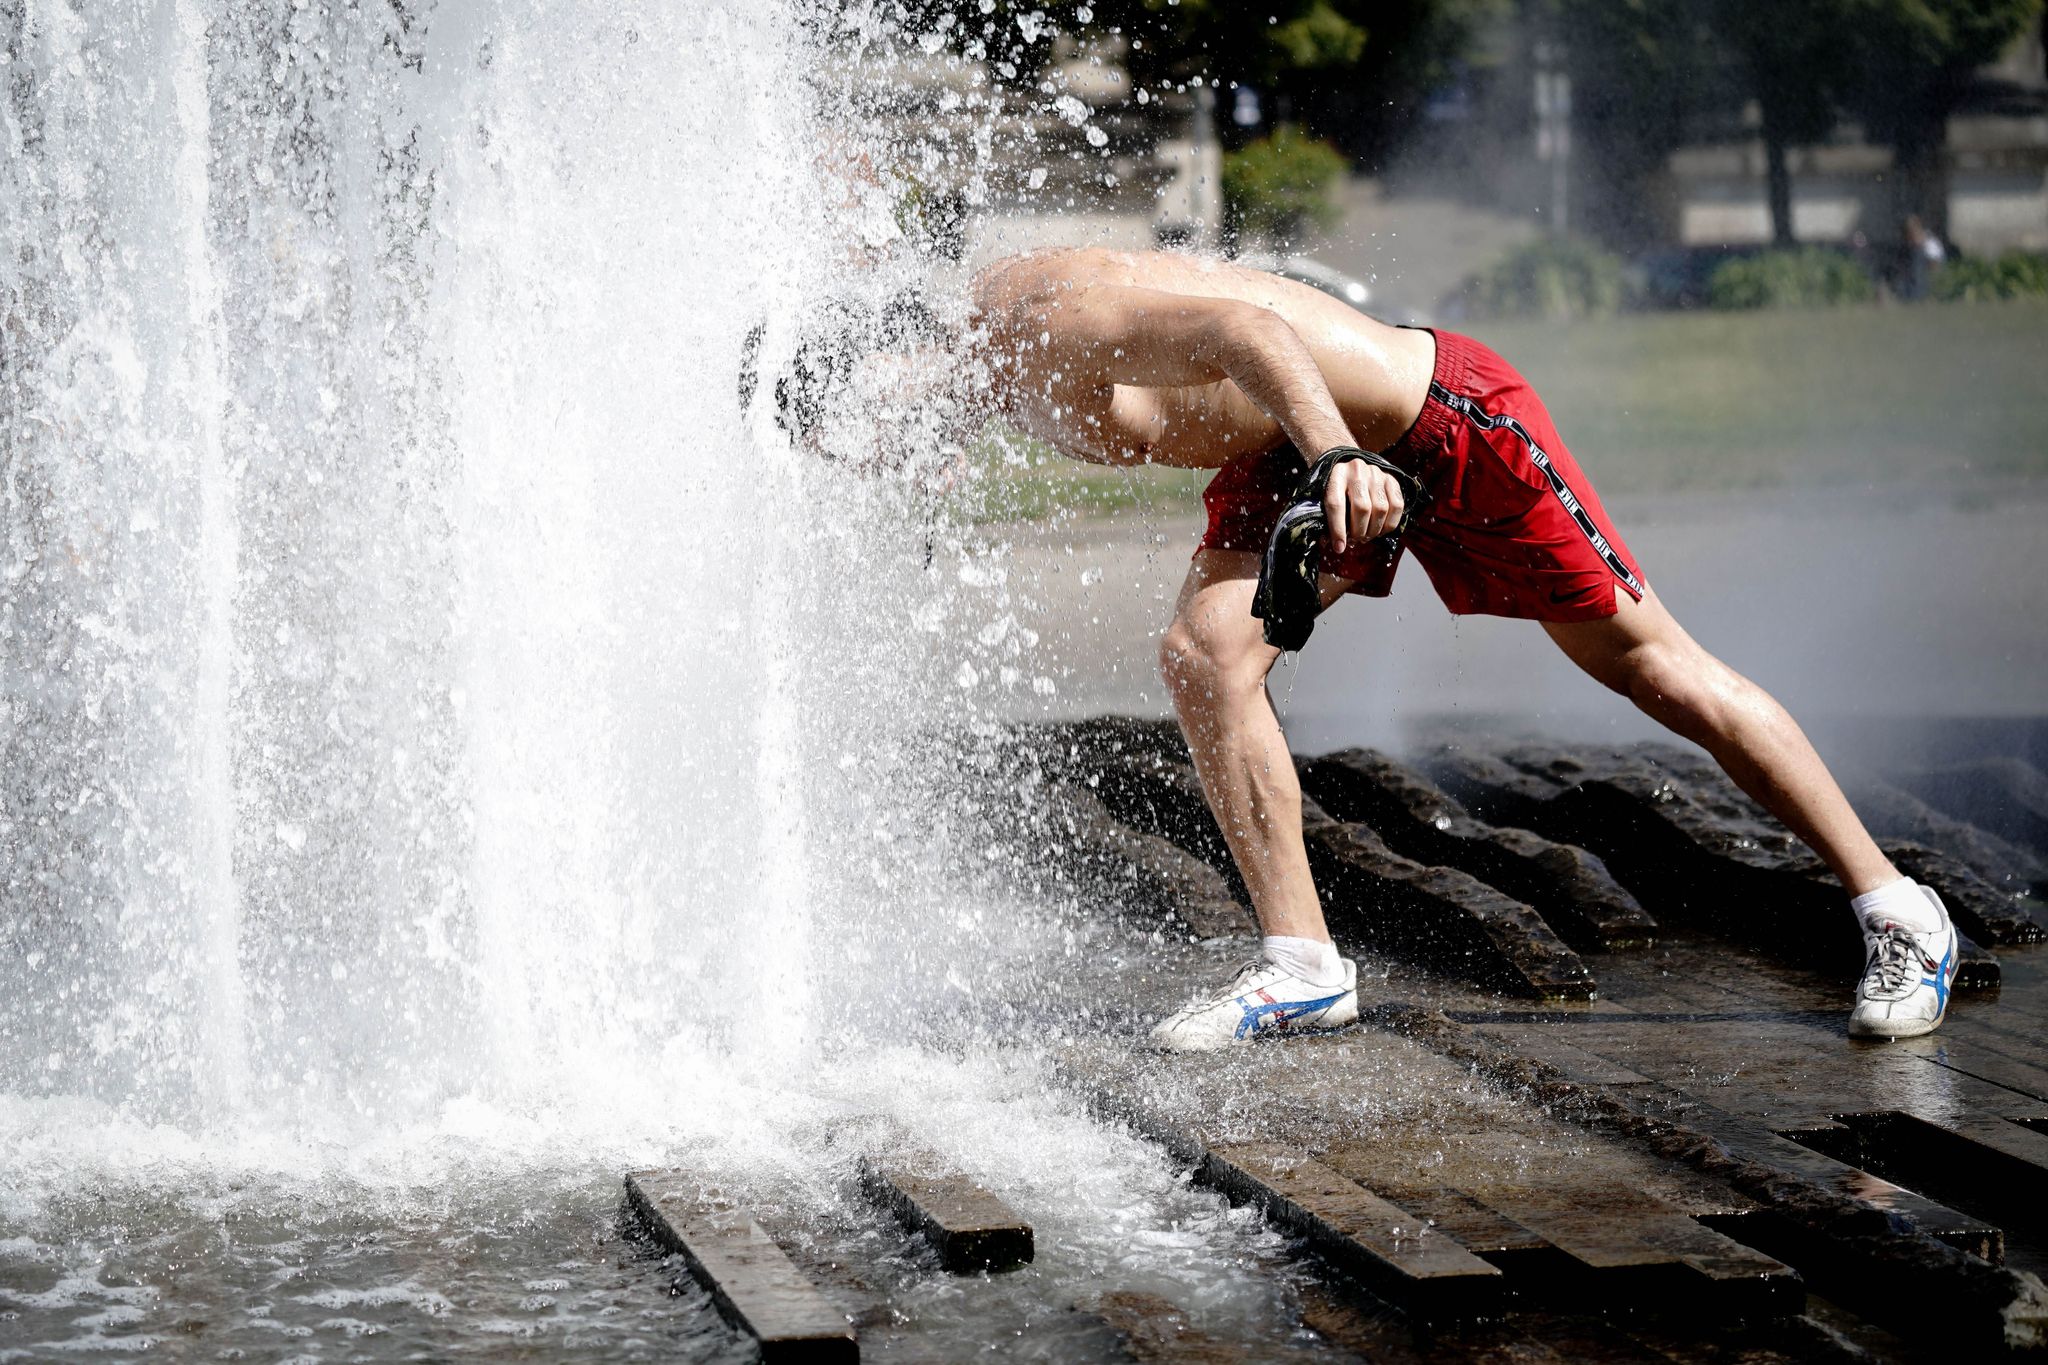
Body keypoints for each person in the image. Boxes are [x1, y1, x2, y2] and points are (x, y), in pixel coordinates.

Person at [754, 246, 1960, 1051]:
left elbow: (1245, 325)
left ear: (885, 353)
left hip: (1430, 422)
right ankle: (1301, 964)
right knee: (1198, 656)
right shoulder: (968, 359)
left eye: (865, 421)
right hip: (1283, 457)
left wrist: (1337, 458)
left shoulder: (1042, 317)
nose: (881, 444)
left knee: (1649, 669)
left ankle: (1897, 907)